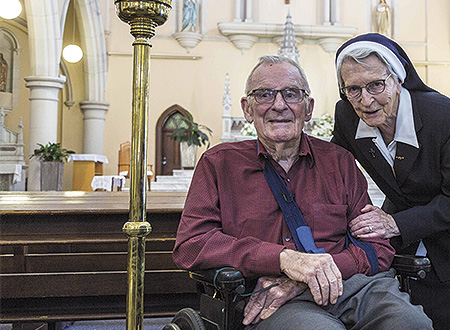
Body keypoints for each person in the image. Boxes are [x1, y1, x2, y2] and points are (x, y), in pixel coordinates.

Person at [173, 55, 432, 330]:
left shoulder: (339, 161)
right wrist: (283, 259)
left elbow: (377, 247)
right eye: (264, 95)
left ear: (308, 108)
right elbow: (192, 244)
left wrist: (313, 274)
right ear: (247, 109)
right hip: (271, 297)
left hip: (353, 287)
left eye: (291, 94)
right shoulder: (219, 163)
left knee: (412, 323)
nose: (279, 105)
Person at [332, 33, 450, 330]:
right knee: (408, 310)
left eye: (376, 84)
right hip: (409, 214)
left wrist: (393, 224)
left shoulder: (438, 113)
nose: (366, 99)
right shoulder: (347, 114)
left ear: (397, 79)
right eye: (353, 89)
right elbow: (332, 166)